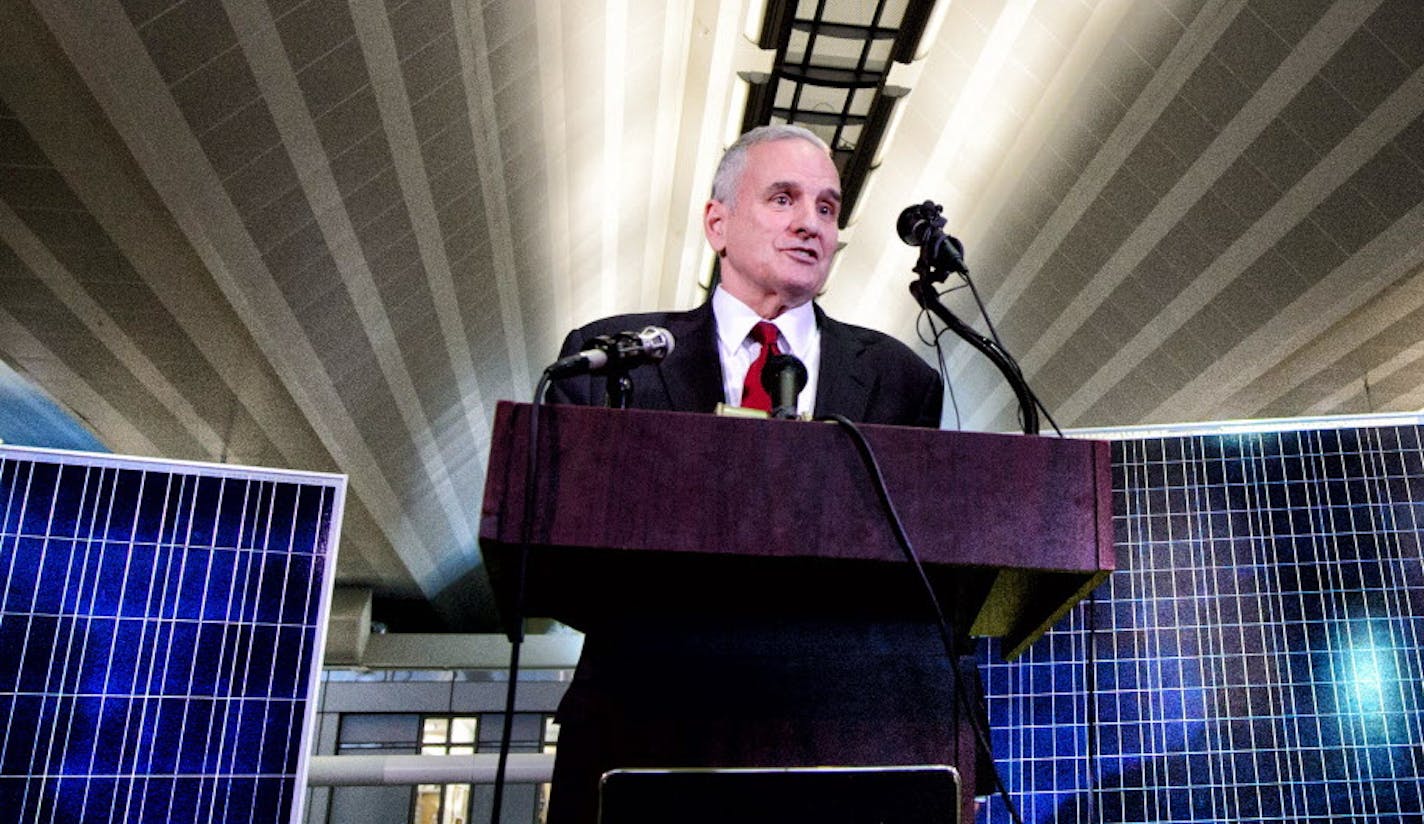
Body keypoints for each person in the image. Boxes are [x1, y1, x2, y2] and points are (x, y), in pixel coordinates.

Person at [544, 125, 979, 824]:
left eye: (828, 208)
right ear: (717, 222)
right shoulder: (611, 361)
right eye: (784, 199)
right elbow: (561, 564)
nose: (812, 222)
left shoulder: (902, 381)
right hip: (647, 727)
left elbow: (918, 577)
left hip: (850, 742)